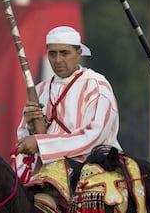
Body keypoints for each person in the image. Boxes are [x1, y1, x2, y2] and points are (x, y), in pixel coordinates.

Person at [16, 26, 121, 211]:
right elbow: (23, 136)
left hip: (94, 165)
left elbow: (94, 136)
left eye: (65, 53)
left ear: (78, 52)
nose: (58, 60)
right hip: (46, 168)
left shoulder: (97, 86)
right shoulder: (40, 90)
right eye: (52, 54)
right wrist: (32, 128)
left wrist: (42, 143)